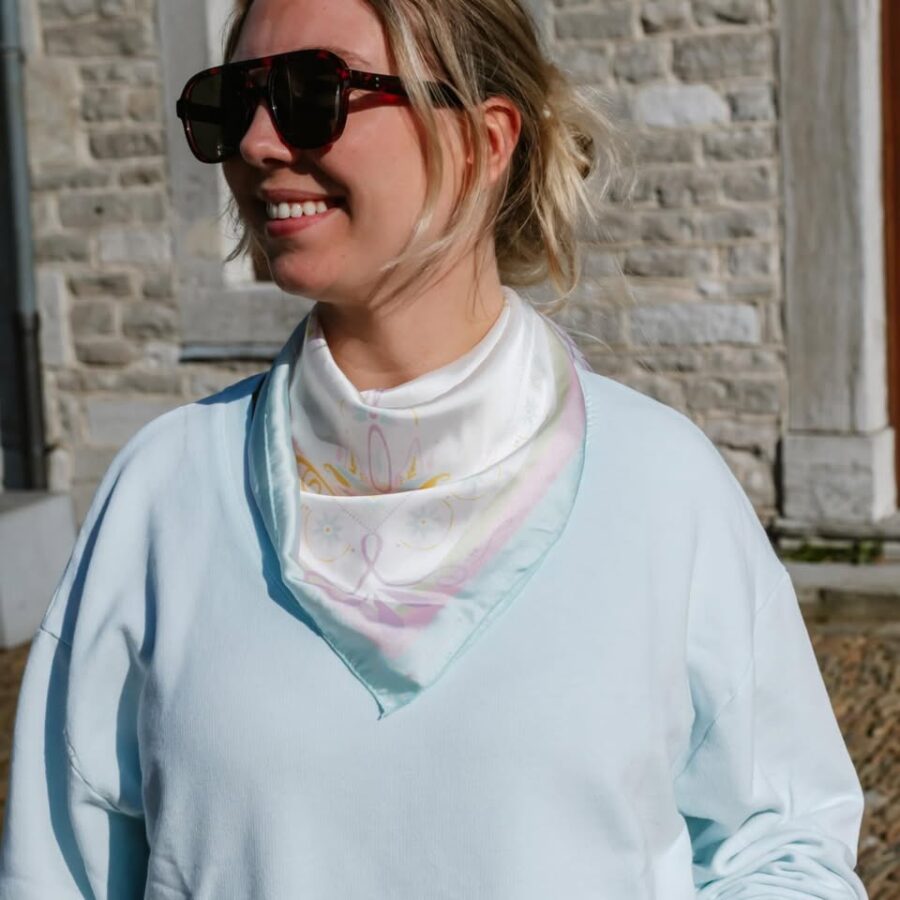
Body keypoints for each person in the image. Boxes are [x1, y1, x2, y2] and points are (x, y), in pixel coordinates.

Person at [0, 0, 869, 897]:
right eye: (232, 102)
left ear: (484, 143)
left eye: (312, 93)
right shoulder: (164, 494)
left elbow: (782, 847)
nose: (256, 142)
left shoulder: (661, 487)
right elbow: (55, 873)